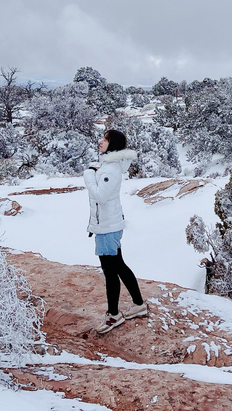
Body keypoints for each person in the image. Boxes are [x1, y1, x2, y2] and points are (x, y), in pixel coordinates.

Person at [84, 128, 147, 334]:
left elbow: (100, 196)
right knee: (118, 266)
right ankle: (138, 305)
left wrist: (89, 176)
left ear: (113, 145)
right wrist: (96, 171)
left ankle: (114, 315)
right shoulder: (109, 165)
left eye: (105, 139)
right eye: (102, 138)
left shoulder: (110, 170)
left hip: (108, 228)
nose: (101, 141)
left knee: (111, 270)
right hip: (109, 225)